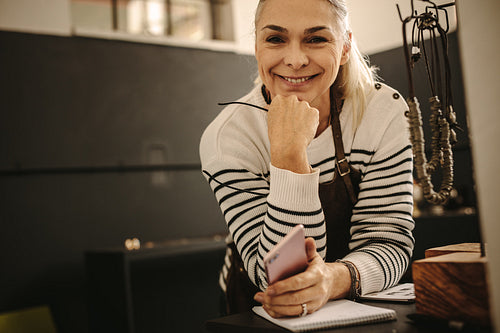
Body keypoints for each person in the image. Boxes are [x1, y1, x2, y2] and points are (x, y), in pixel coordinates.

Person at [200, 0, 415, 318]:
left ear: (344, 48)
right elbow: (282, 277)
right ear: (258, 47)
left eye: (316, 39)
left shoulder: (383, 112)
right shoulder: (229, 138)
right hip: (258, 312)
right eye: (276, 39)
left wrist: (331, 280)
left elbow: (389, 244)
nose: (296, 60)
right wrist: (289, 156)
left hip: (361, 304)